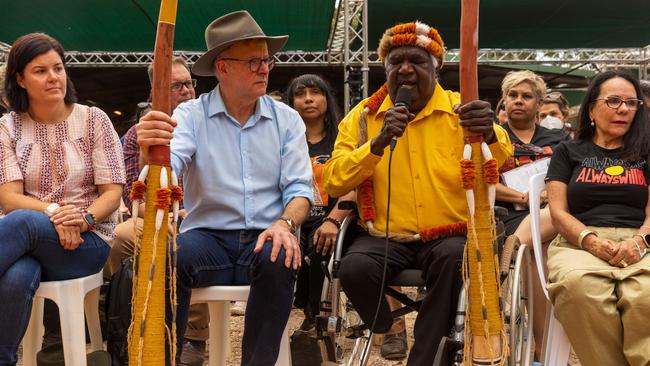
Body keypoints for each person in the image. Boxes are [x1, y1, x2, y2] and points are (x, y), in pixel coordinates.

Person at [323, 21, 512, 365]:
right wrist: (376, 145)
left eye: (417, 61)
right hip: (383, 234)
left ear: (435, 69)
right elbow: (333, 181)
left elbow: (500, 161)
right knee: (352, 269)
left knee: (455, 261)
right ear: (386, 69)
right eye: (396, 62)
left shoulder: (463, 110)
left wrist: (487, 134)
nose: (405, 68)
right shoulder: (364, 118)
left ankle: (425, 359)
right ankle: (388, 326)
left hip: (447, 234)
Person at [135, 11, 313, 364]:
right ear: (222, 68)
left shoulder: (287, 119)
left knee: (281, 253)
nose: (264, 69)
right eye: (253, 61)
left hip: (267, 234)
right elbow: (170, 167)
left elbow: (300, 190)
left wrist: (285, 224)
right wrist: (150, 152)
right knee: (171, 255)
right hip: (208, 238)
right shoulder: (190, 115)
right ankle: (162, 358)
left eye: (267, 60)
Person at [0, 32, 124, 364]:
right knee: (17, 275)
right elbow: (9, 198)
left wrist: (82, 219)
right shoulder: (8, 127)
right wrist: (55, 212)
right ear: (20, 79)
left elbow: (112, 193)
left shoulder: (94, 119)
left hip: (87, 240)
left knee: (23, 222)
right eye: (40, 71)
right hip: (31, 240)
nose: (53, 77)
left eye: (58, 67)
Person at [109, 56, 208, 366]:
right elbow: (130, 194)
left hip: (204, 218)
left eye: (189, 83)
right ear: (155, 93)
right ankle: (120, 321)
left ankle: (194, 336)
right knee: (119, 236)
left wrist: (190, 211)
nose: (187, 91)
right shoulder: (136, 134)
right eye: (175, 85)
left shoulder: (211, 125)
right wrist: (144, 150)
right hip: (154, 216)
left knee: (187, 240)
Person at [546, 70, 650, 365]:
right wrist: (590, 241)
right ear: (591, 108)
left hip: (641, 240)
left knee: (646, 295)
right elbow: (557, 211)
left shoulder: (646, 151)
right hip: (579, 240)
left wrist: (641, 241)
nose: (624, 109)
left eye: (632, 103)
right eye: (614, 100)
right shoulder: (568, 151)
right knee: (578, 288)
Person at [495, 70, 570, 358]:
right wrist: (521, 196)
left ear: (539, 103)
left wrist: (546, 194)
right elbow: (482, 182)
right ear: (504, 100)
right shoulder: (492, 136)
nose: (519, 101)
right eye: (513, 95)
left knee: (546, 242)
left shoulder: (559, 138)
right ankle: (541, 349)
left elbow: (569, 179)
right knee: (542, 258)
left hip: (551, 213)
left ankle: (543, 347)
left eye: (527, 96)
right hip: (509, 214)